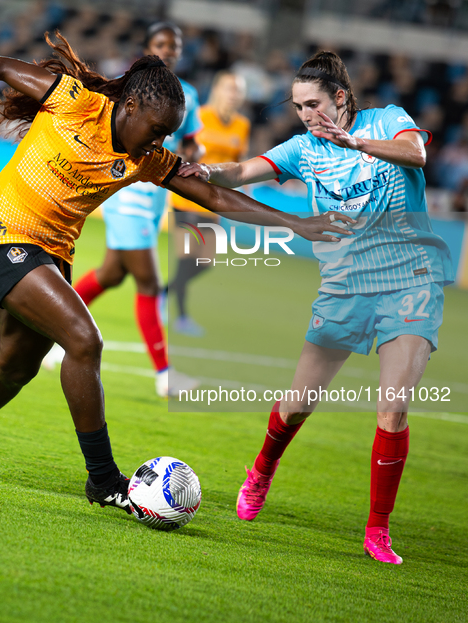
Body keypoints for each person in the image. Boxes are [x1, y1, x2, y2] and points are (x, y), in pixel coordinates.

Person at [0, 35, 349, 515]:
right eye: (156, 129)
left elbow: (214, 197)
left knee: (18, 363)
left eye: (168, 135)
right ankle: (105, 481)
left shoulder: (145, 157)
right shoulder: (74, 102)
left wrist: (295, 223)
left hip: (52, 252)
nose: (161, 142)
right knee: (84, 340)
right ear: (129, 106)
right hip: (0, 234)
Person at [177, 50, 453, 563]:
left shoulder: (387, 120)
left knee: (392, 408)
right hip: (344, 286)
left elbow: (416, 155)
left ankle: (378, 529)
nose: (305, 114)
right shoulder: (303, 149)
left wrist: (356, 142)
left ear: (341, 98)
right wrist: (205, 169)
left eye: (313, 104)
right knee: (298, 404)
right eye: (298, 106)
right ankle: (260, 470)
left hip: (410, 282)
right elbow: (241, 170)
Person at [42, 21, 203, 398]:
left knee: (111, 275)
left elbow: (193, 140)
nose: (169, 51)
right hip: (126, 195)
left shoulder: (189, 95)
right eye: (161, 43)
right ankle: (165, 374)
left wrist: (196, 156)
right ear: (149, 47)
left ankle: (50, 337)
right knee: (149, 282)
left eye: (175, 46)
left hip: (155, 200)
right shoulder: (127, 88)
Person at [167, 69, 250, 337]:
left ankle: (163, 293)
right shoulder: (200, 116)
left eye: (238, 90)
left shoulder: (242, 125)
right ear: (218, 90)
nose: (233, 94)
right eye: (229, 88)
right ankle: (180, 316)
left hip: (214, 202)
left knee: (206, 261)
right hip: (187, 198)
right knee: (186, 259)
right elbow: (182, 146)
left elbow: (240, 165)